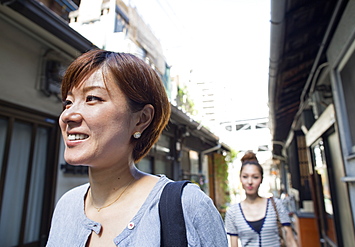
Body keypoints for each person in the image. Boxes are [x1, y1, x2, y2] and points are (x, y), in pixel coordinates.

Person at [46, 49, 228, 246]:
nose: (67, 115)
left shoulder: (188, 206)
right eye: (68, 102)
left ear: (141, 119)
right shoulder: (67, 205)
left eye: (92, 98)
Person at [225, 151, 297, 247]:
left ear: (261, 179)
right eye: (245, 177)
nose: (250, 182)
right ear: (240, 179)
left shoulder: (276, 205)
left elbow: (291, 241)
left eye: (255, 177)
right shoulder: (233, 212)